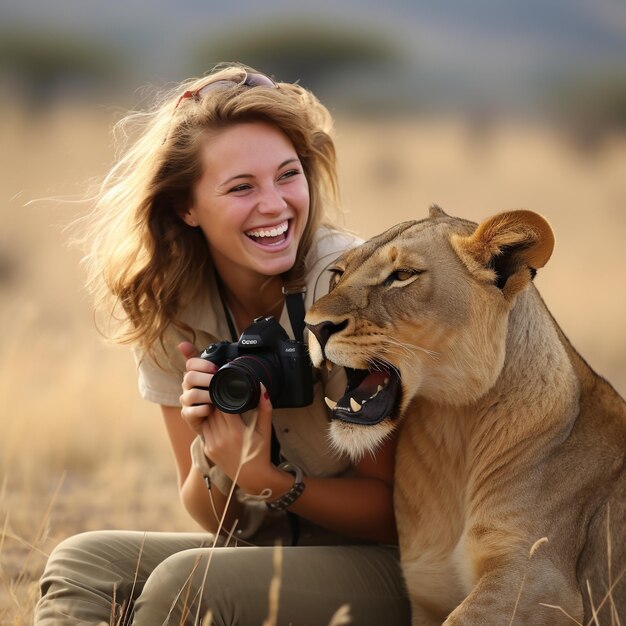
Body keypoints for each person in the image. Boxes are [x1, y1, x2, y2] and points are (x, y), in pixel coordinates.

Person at [35, 63, 410, 625]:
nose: (276, 205)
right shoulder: (171, 305)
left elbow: (397, 515)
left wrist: (269, 482)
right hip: (283, 551)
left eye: (288, 174)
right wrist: (215, 453)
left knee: (186, 587)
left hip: (404, 562)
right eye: (241, 187)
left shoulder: (347, 289)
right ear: (186, 207)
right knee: (81, 563)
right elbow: (221, 523)